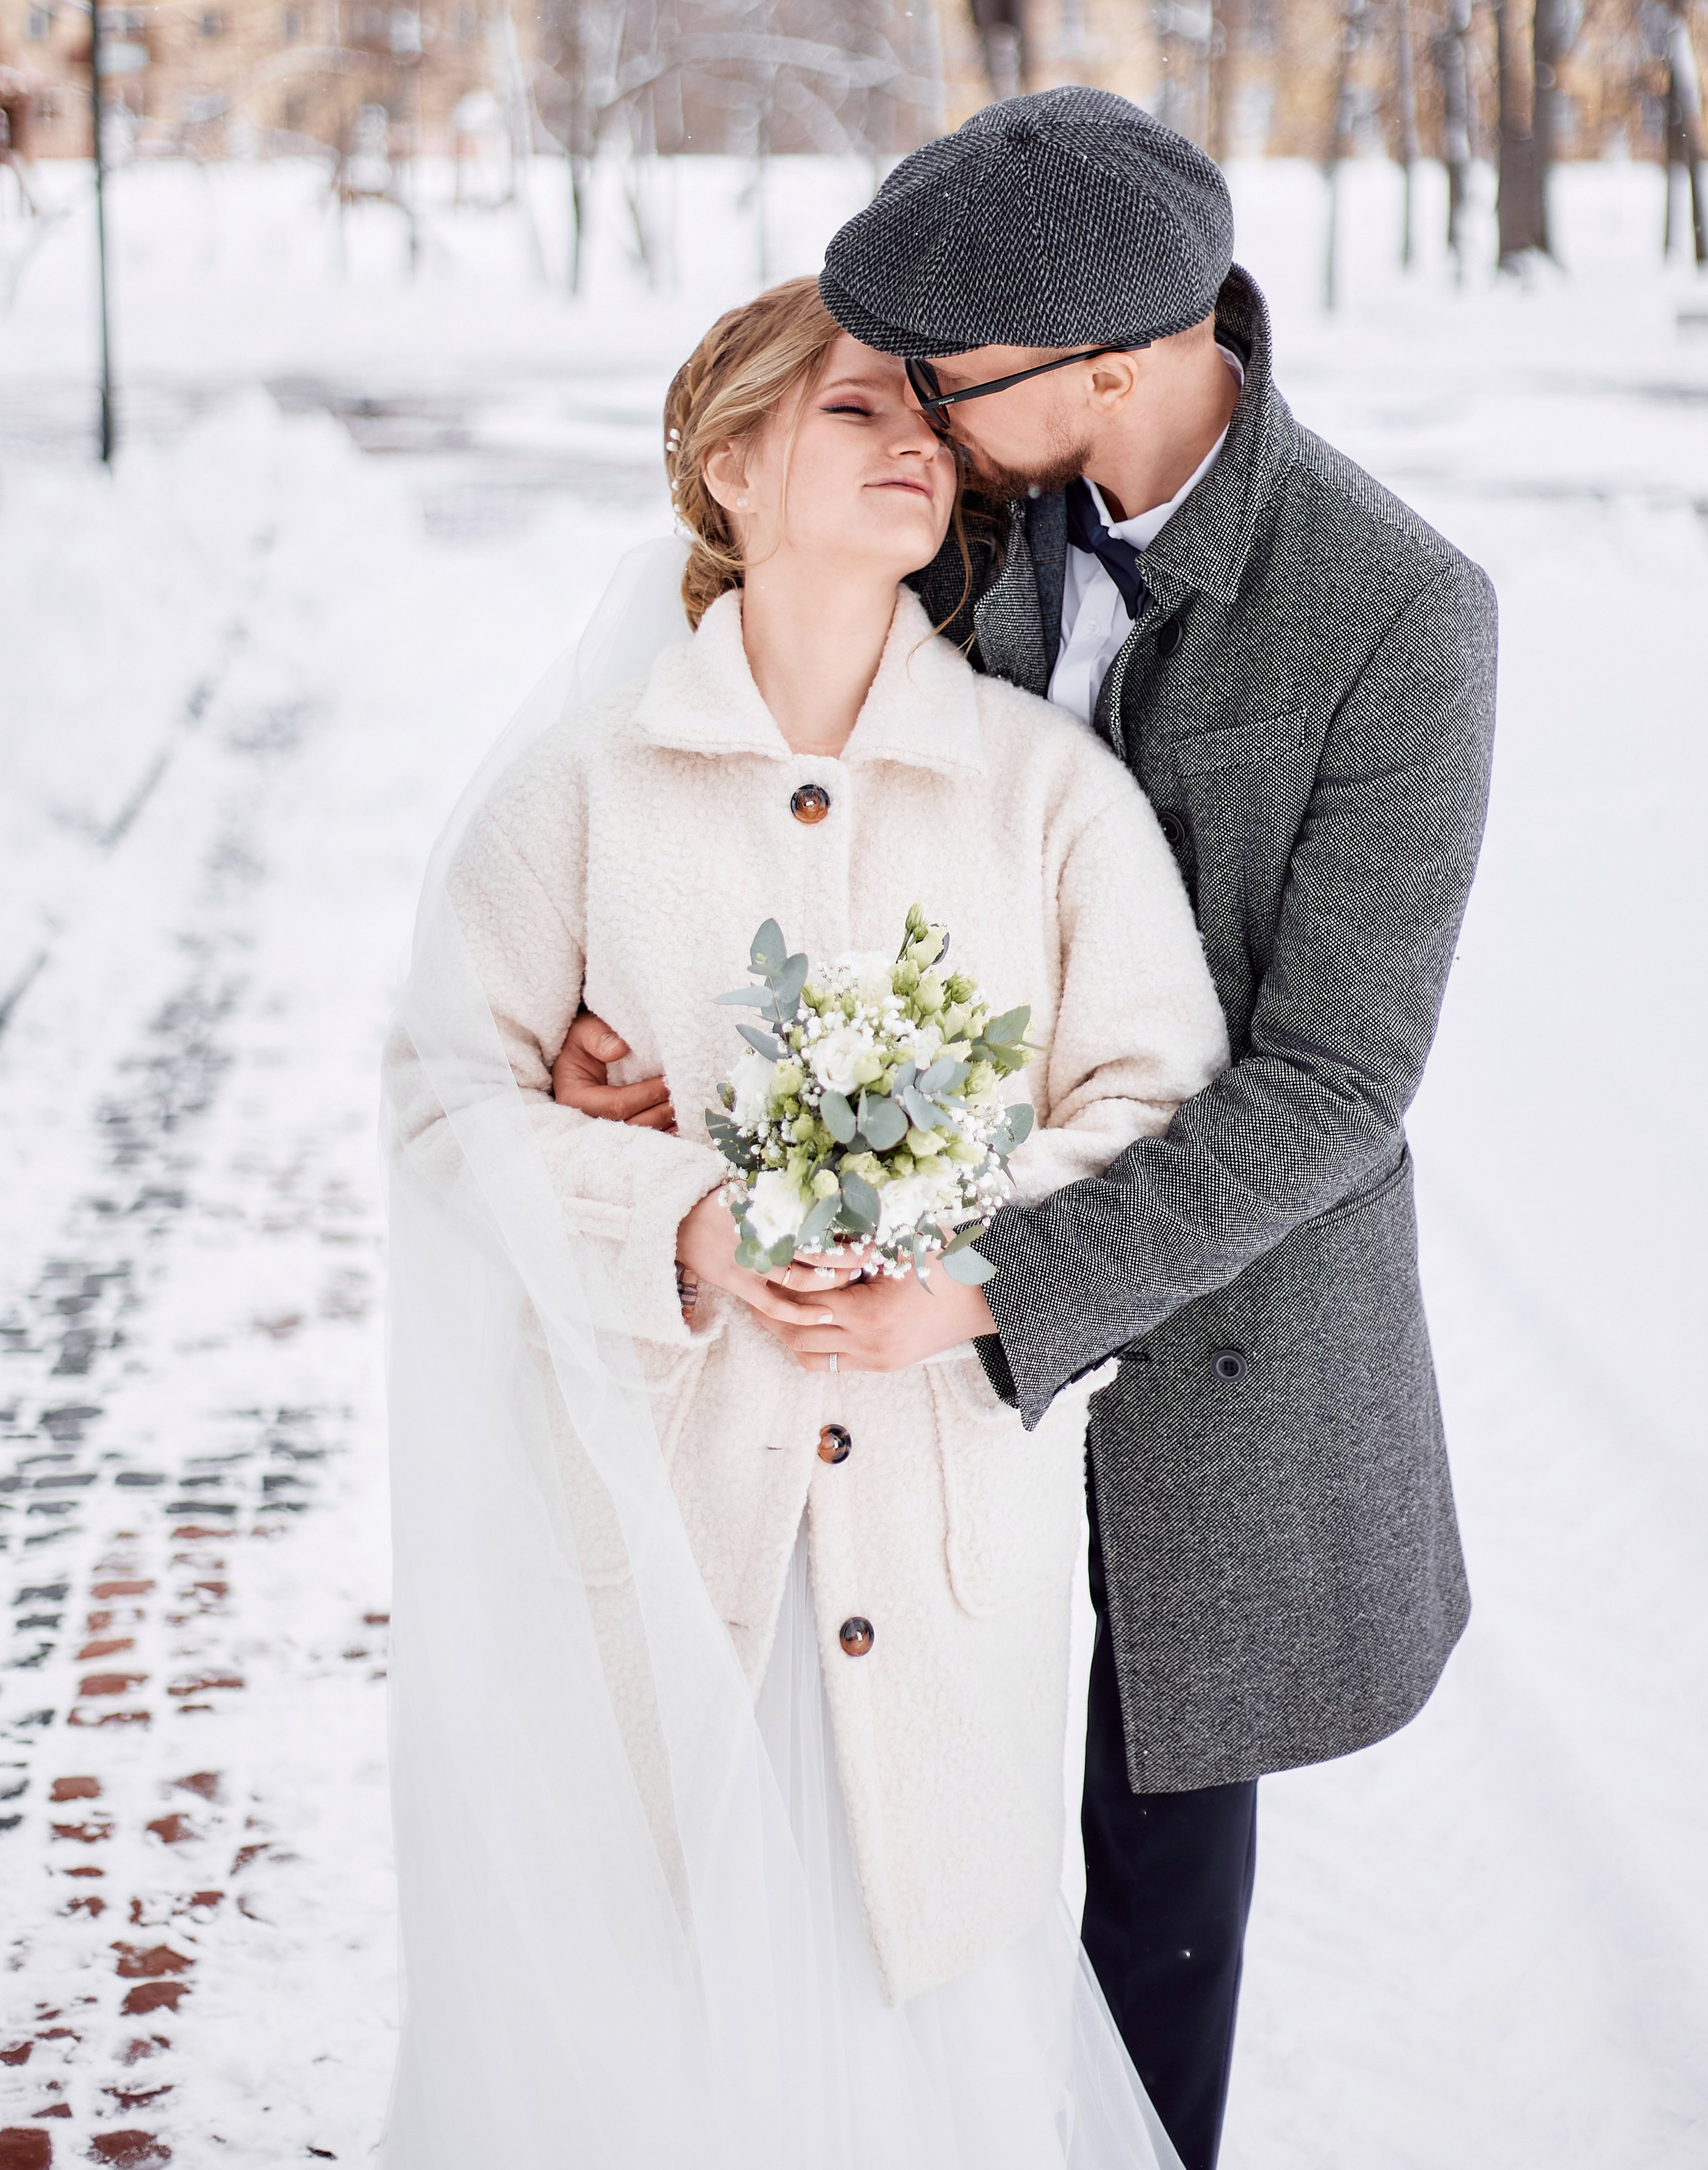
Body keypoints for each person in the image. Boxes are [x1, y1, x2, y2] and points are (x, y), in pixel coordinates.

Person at [555, 85, 1500, 2168]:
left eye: (952, 379)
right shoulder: (961, 502)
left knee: (1150, 1898)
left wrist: (1000, 1294)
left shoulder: (1395, 614)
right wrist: (649, 1049)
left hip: (1192, 1348)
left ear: (1115, 361)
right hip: (866, 1344)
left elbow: (1338, 1077)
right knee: (880, 1858)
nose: (910, 409)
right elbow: (777, 801)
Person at [382, 272, 1230, 2167]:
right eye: (857, 412)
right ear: (730, 464)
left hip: (943, 1561)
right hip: (668, 1546)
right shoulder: (583, 792)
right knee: (670, 2035)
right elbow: (439, 1103)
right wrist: (684, 1218)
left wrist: (966, 1251)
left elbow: (1157, 1107)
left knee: (921, 2033)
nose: (918, 443)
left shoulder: (1048, 794)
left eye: (933, 418)